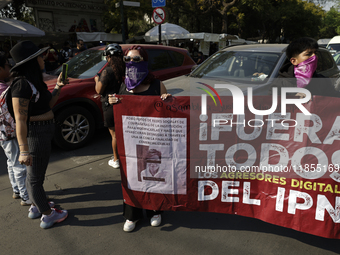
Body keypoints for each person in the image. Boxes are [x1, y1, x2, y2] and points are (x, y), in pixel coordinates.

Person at [109, 45, 171, 232]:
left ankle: (155, 211)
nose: (131, 62)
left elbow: (169, 110)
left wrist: (168, 100)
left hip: (154, 141)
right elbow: (117, 116)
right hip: (131, 143)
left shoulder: (156, 84)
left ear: (144, 61)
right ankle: (132, 215)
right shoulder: (123, 84)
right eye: (128, 59)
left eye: (136, 59)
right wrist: (112, 101)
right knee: (132, 178)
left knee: (153, 175)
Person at [9, 41, 69, 229]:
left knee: (35, 175)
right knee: (35, 178)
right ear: (31, 61)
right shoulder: (21, 85)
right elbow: (20, 119)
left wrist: (58, 86)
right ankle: (47, 214)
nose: (43, 58)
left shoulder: (33, 82)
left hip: (42, 132)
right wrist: (23, 150)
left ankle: (36, 206)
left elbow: (48, 104)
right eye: (40, 56)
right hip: (36, 135)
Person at [0, 51, 31, 206]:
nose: (10, 68)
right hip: (10, 132)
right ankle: (26, 196)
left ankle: (17, 190)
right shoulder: (3, 89)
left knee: (11, 162)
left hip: (3, 134)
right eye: (7, 65)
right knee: (19, 165)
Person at [270, 37, 340, 98]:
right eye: (308, 54)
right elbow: (271, 106)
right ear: (294, 61)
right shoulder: (280, 83)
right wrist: (292, 99)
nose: (314, 57)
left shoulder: (323, 81)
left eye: (315, 53)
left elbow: (334, 102)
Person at [95, 44, 125, 169]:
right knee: (123, 133)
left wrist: (97, 79)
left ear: (108, 57)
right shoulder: (126, 68)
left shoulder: (107, 71)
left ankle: (116, 159)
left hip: (110, 106)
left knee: (114, 135)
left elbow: (99, 90)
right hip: (124, 104)